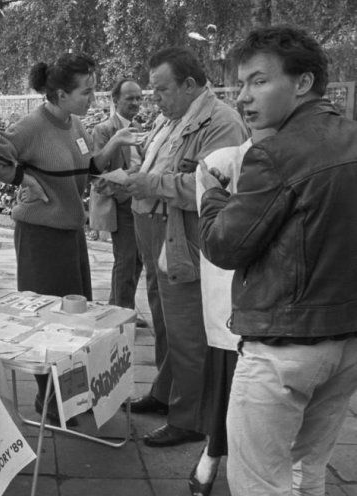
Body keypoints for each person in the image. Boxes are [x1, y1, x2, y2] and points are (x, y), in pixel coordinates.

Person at [199, 26, 357, 495]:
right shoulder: (350, 137)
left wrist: (211, 196)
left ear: (303, 83)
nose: (243, 96)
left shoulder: (273, 154)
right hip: (345, 341)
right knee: (305, 471)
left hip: (283, 347)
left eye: (258, 81)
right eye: (240, 83)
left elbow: (225, 246)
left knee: (258, 481)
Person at [0, 54, 137, 420]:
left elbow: (88, 166)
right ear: (61, 94)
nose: (92, 99)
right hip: (40, 237)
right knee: (46, 322)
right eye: (86, 91)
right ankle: (47, 400)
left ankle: (70, 396)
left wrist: (116, 144)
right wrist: (23, 179)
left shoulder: (74, 124)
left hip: (70, 234)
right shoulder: (31, 126)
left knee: (76, 319)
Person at [123, 47, 246, 447]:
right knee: (165, 322)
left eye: (161, 89)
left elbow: (212, 189)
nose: (154, 98)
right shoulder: (172, 118)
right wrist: (131, 176)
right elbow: (158, 167)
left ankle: (191, 417)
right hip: (156, 231)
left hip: (184, 239)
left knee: (189, 329)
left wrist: (150, 184)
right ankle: (165, 392)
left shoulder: (221, 123)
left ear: (190, 85)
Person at [189, 110, 274, 496]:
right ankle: (213, 451)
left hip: (287, 310)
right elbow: (222, 240)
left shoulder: (312, 159)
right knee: (228, 380)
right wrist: (212, 193)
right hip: (235, 300)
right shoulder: (223, 163)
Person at [88, 78, 146, 319]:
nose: (136, 103)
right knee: (125, 261)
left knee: (138, 262)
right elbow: (96, 175)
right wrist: (125, 192)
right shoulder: (104, 130)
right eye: (130, 98)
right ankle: (120, 315)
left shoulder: (139, 127)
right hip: (122, 204)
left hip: (142, 201)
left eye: (138, 98)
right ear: (115, 100)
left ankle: (123, 310)